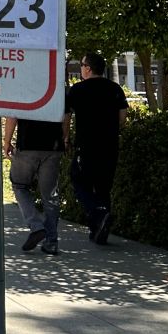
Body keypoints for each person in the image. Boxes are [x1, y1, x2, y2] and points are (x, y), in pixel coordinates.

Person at [65, 52, 128, 245]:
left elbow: (66, 115)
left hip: (86, 145)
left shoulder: (77, 90)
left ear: (88, 68)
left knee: (78, 180)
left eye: (82, 65)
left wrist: (66, 137)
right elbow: (123, 117)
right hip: (109, 145)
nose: (81, 68)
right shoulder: (115, 89)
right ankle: (99, 230)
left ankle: (98, 214)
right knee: (103, 187)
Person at [3, 109, 65, 255]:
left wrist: (6, 141)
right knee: (50, 196)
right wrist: (65, 138)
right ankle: (51, 242)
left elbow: (12, 116)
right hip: (53, 148)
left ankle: (36, 226)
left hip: (27, 145)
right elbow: (66, 115)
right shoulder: (58, 88)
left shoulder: (23, 86)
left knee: (20, 186)